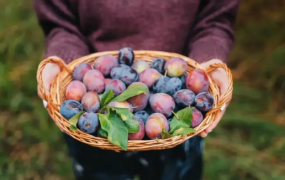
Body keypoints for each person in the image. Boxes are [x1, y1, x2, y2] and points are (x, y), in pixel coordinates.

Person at [33, 0, 239, 179]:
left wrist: (209, 61)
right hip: (96, 132)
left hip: (177, 127)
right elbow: (61, 23)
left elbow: (215, 19)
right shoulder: (94, 100)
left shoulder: (173, 96)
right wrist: (63, 61)